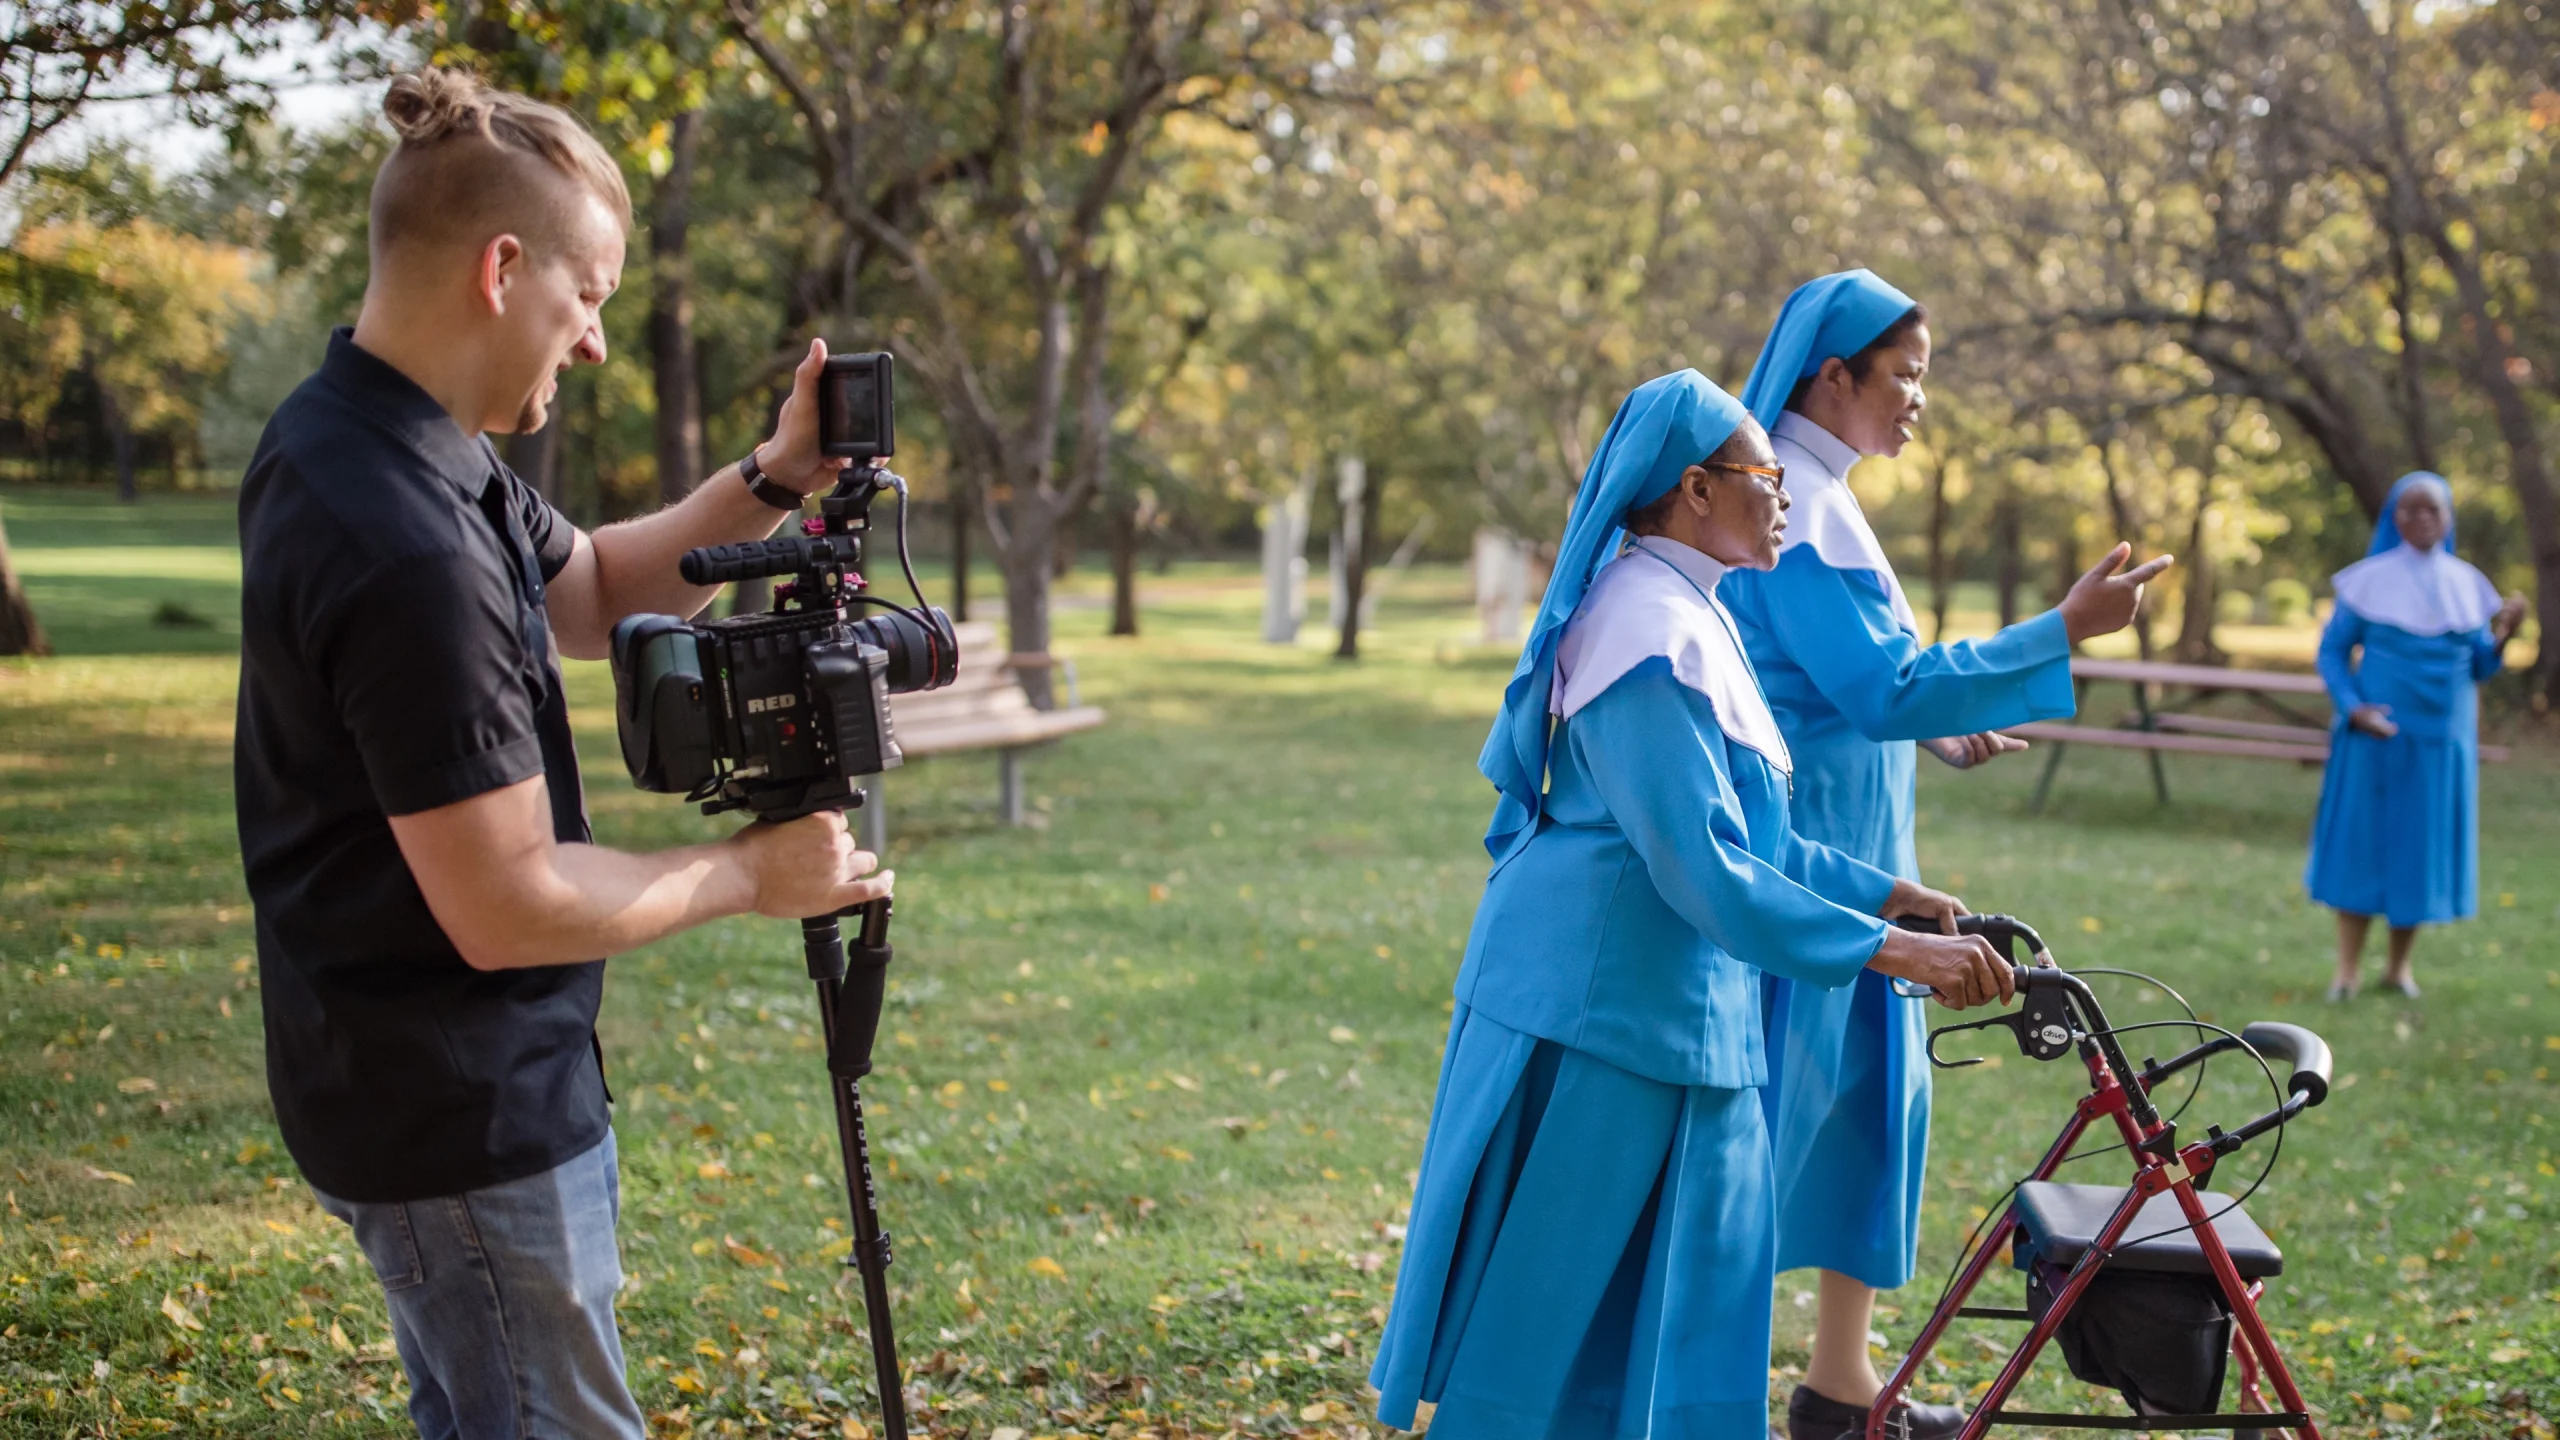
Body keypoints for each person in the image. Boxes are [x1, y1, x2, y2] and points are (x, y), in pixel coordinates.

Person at [233, 71, 892, 1439]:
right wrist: (750, 873)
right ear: (502, 266)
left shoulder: (370, 435)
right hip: (458, 1109)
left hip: (403, 1077)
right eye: (585, 295)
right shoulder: (402, 539)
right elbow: (508, 902)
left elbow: (592, 589)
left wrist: (773, 475)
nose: (594, 340)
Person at [1368, 369, 2018, 1440]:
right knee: (1553, 1329)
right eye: (1766, 477)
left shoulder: (1690, 609)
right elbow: (1703, 867)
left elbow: (1756, 834)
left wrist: (1888, 893)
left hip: (1681, 1020)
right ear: (1695, 490)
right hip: (1596, 1021)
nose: (1786, 499)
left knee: (1683, 1317)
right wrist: (1894, 954)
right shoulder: (1639, 628)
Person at [1716, 269, 2173, 1440]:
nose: (1920, 399)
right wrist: (2059, 630)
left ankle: (1839, 1381)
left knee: (1863, 1095)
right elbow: (1874, 688)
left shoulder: (1818, 488)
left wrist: (1941, 724)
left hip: (1863, 827)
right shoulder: (1795, 499)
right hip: (1811, 846)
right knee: (1775, 1109)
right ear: (1833, 374)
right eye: (1905, 375)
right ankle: (1714, 1384)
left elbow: (1865, 684)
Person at [2307, 471, 2527, 1001]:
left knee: (2417, 851)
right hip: (2377, 736)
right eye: (2409, 509)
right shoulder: (2369, 581)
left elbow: (2478, 666)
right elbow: (2333, 651)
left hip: (2440, 742)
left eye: (2432, 509)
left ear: (2448, 517)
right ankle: (2346, 970)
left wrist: (2504, 637)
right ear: (2394, 517)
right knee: (2365, 847)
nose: (2421, 518)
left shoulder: (2465, 584)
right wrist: (2352, 708)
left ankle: (2399, 968)